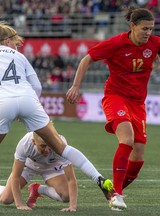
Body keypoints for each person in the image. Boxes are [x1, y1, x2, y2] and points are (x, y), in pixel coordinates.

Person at [0, 21, 113, 210]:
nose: (16, 45)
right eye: (15, 42)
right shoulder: (20, 57)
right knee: (62, 147)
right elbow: (37, 86)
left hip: (4, 102)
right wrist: (29, 110)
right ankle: (98, 178)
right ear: (7, 41)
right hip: (29, 99)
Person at [66, 7, 160, 211]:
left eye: (151, 28)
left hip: (138, 103)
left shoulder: (155, 43)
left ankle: (114, 190)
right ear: (132, 26)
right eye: (144, 28)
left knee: (138, 157)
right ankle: (117, 195)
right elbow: (86, 58)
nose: (148, 32)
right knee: (127, 140)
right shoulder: (116, 43)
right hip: (115, 97)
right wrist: (76, 85)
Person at [0, 132, 77, 212]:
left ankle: (38, 189)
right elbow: (15, 176)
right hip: (28, 166)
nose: (47, 150)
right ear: (33, 142)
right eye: (43, 146)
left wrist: (72, 207)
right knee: (6, 199)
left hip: (51, 168)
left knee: (67, 196)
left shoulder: (60, 144)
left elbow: (71, 179)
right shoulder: (25, 143)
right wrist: (19, 204)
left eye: (50, 145)